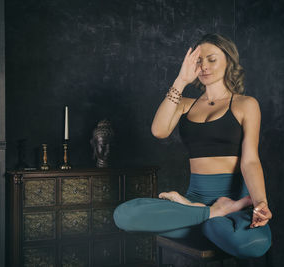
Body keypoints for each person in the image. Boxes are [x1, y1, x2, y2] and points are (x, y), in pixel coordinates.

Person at [113, 33, 272, 259]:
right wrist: (181, 80)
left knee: (253, 244)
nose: (204, 66)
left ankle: (209, 219)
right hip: (193, 205)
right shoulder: (186, 105)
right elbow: (159, 130)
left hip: (234, 203)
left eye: (211, 59)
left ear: (228, 61)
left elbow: (250, 160)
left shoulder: (246, 104)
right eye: (199, 60)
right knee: (124, 215)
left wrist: (260, 203)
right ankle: (209, 213)